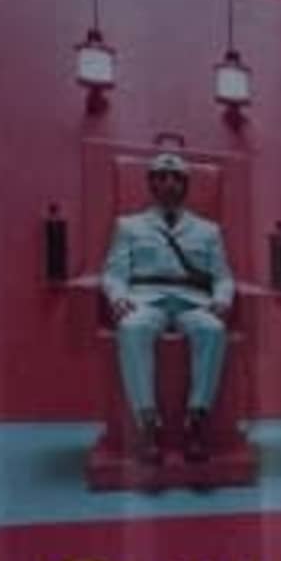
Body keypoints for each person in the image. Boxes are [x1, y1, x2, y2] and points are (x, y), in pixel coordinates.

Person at [101, 149, 235, 462]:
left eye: (176, 178)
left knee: (213, 330)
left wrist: (221, 299)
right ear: (151, 184)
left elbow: (223, 277)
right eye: (161, 177)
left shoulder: (208, 230)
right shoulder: (128, 226)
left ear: (186, 185)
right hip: (147, 298)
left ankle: (197, 419)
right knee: (131, 328)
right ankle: (147, 423)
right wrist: (118, 297)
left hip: (192, 302)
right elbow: (114, 273)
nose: (169, 184)